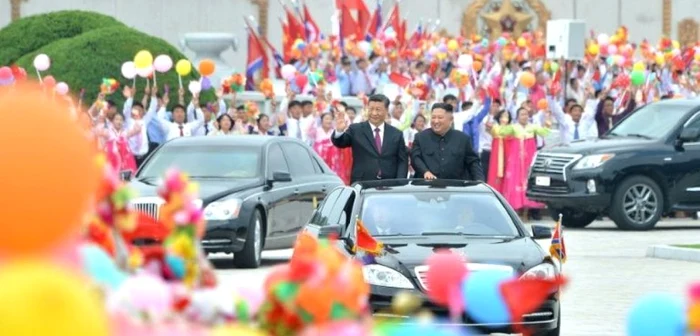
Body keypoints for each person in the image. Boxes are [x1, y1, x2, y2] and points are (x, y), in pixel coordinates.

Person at [332, 94, 408, 184]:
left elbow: (402, 161)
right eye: (371, 109)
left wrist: (400, 182)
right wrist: (339, 131)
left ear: (387, 110)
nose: (374, 113)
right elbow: (340, 142)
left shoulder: (396, 134)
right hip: (362, 183)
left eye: (378, 110)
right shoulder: (356, 129)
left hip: (389, 185)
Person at [410, 103, 485, 181]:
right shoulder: (420, 137)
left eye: (440, 118)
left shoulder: (462, 139)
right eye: (433, 117)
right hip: (427, 186)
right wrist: (425, 172)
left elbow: (473, 162)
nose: (436, 121)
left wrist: (480, 181)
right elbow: (415, 158)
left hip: (455, 187)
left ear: (451, 120)